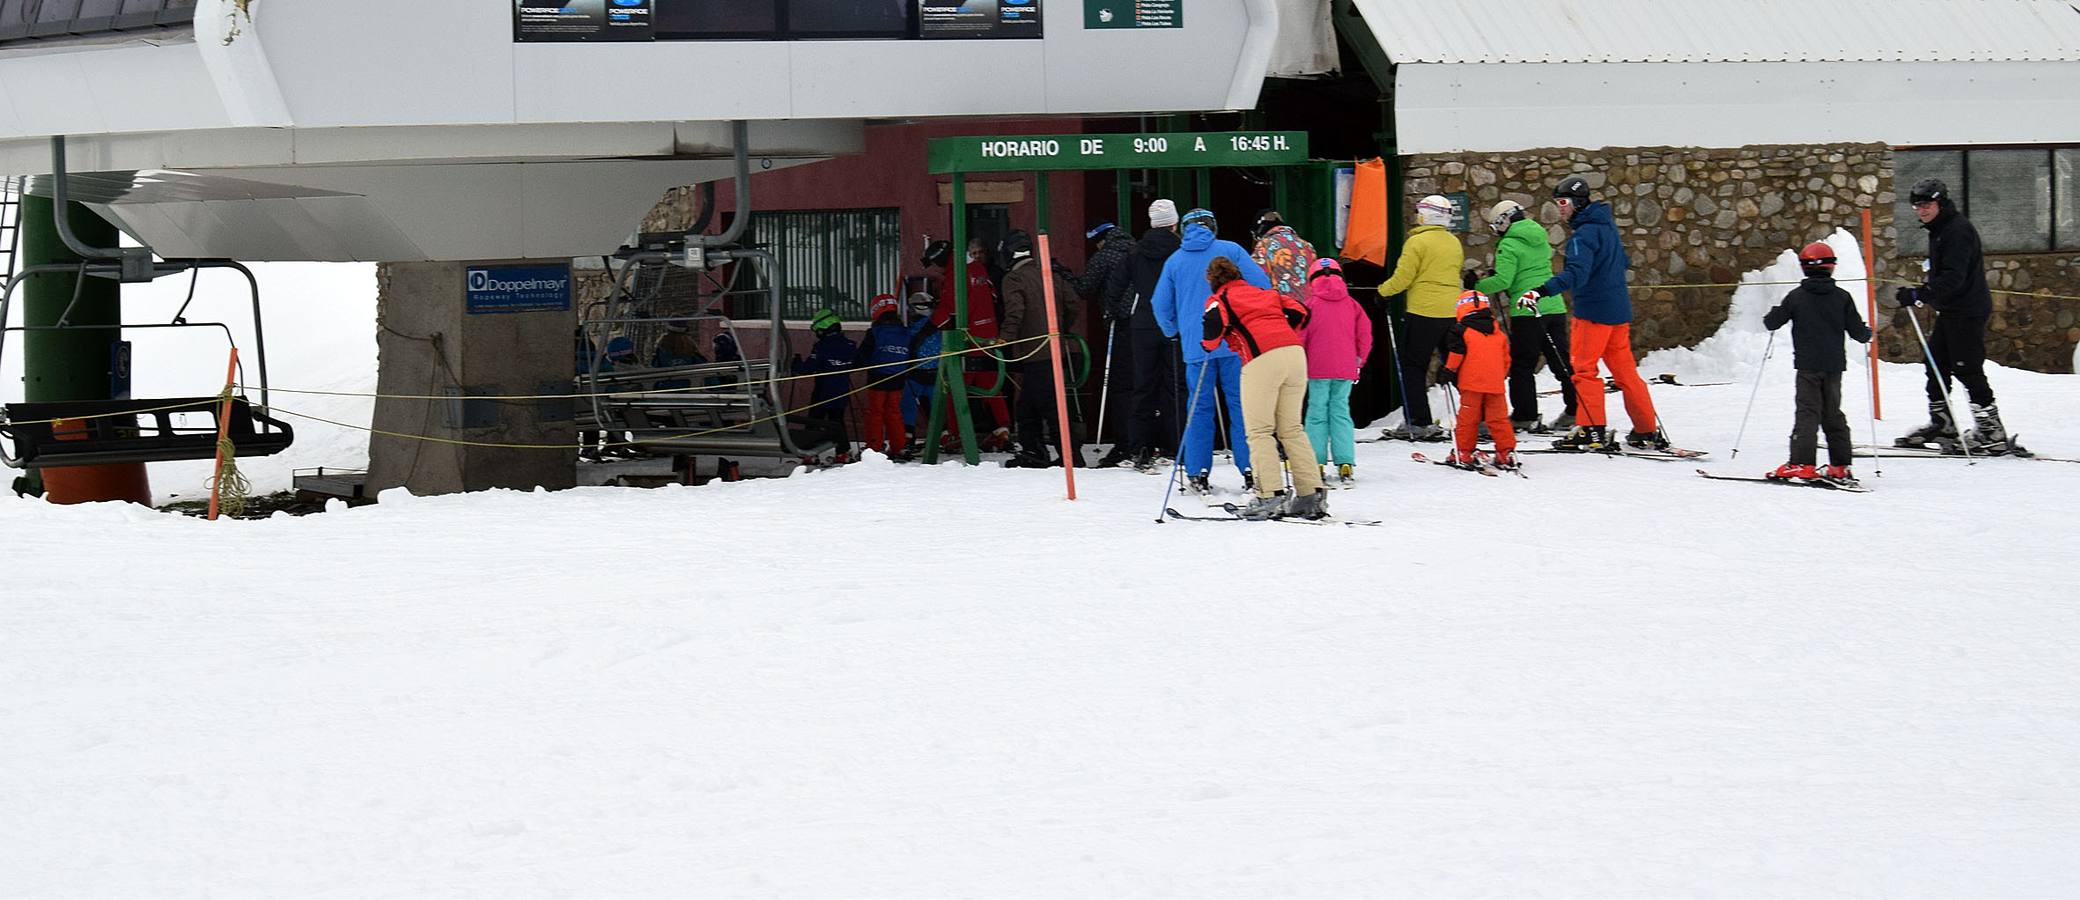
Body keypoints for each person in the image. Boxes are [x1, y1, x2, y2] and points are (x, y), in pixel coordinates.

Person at [1519, 175, 1662, 451]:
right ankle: (1645, 428)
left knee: (1584, 371)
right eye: (1557, 202)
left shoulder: (1582, 235)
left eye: (1563, 202)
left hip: (1593, 314)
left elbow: (1576, 274)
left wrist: (1540, 291)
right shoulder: (1607, 227)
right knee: (1626, 374)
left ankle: (1590, 428)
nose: (1559, 208)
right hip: (1618, 313)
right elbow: (1623, 261)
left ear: (1577, 203)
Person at [1152, 208, 1271, 493]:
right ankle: (1251, 467)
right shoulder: (1231, 250)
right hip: (1234, 343)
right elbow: (1262, 285)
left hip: (1197, 345)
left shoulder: (1175, 260)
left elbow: (1160, 303)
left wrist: (1172, 331)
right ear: (1213, 227)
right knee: (1242, 406)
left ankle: (1197, 471)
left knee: (1198, 408)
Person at [1201, 256, 1327, 520]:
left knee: (1259, 431)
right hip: (1294, 353)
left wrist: (1208, 346)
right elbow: (1301, 311)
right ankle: (1310, 494)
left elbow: (1212, 330)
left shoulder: (1220, 299)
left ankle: (1268, 495)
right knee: (1291, 428)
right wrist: (1281, 330)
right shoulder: (1265, 292)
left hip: (1261, 360)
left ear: (1213, 280)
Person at [1892, 178, 2009, 451]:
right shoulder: (1940, 229)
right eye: (1917, 206)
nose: (1921, 211)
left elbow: (1954, 277)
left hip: (1967, 311)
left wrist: (1921, 294)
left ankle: (1992, 432)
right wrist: (1923, 292)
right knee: (1935, 363)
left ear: (1940, 203)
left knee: (1966, 368)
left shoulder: (1957, 231)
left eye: (1927, 205)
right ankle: (1942, 424)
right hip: (1951, 310)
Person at [1763, 242, 1872, 483]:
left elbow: (1772, 322)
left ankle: (1802, 463)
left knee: (1808, 412)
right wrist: (1866, 333)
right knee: (1833, 413)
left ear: (1803, 267)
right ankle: (1840, 465)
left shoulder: (1796, 297)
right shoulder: (1843, 297)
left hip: (1808, 366)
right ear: (1832, 267)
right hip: (1834, 367)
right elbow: (1858, 332)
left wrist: (1772, 313)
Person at [1475, 199, 1575, 434]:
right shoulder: (1539, 235)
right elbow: (1527, 268)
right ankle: (1575, 409)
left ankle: (1524, 415)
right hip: (1553, 306)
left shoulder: (1508, 244)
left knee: (1522, 365)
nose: (1495, 232)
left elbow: (1503, 281)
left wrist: (1477, 286)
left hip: (1526, 309)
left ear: (1504, 221)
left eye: (1495, 226)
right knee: (1561, 362)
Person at [1101, 198, 1184, 471]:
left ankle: (1140, 446)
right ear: (1174, 223)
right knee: (1174, 385)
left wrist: (1112, 310)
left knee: (1143, 385)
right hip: (1175, 322)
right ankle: (1174, 444)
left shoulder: (1135, 252)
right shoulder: (1181, 251)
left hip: (1143, 323)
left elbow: (1116, 285)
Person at [1376, 194, 1464, 441]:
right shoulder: (1453, 242)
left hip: (1423, 310)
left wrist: (1383, 292)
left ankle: (1418, 420)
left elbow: (1404, 276)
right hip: (1451, 310)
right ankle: (1476, 416)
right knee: (1454, 365)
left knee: (1414, 367)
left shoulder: (1417, 243)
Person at [997, 229, 1082, 467]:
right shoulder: (1050, 274)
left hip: (1034, 352)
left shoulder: (1013, 279)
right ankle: (1035, 451)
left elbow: (1015, 312)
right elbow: (1073, 302)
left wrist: (1004, 339)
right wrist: (1060, 327)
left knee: (1049, 407)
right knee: (1028, 406)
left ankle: (1071, 457)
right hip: (1054, 349)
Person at [921, 238, 1012, 450]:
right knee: (990, 385)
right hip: (989, 336)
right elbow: (990, 298)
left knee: (955, 387)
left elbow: (951, 308)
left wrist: (929, 327)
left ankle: (956, 434)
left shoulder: (957, 273)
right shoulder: (979, 269)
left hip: (968, 340)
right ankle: (1002, 430)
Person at [1299, 258, 1372, 487]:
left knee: (1316, 412)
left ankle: (1316, 460)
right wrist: (1359, 360)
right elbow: (1365, 335)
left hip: (1316, 367)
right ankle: (1345, 461)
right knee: (1341, 411)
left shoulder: (1309, 305)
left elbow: (1300, 336)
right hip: (1345, 367)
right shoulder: (1352, 304)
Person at [1075, 221, 1141, 467]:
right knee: (1142, 383)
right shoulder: (1137, 250)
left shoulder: (1104, 257)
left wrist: (1061, 273)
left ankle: (1124, 442)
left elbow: (1084, 288)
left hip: (1121, 326)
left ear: (1100, 240)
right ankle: (1145, 439)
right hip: (1146, 325)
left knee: (1121, 386)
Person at [1439, 290, 1517, 470]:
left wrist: (1448, 371)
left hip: (1471, 383)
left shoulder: (1461, 330)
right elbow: (1506, 359)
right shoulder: (1498, 333)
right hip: (1495, 384)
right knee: (1498, 419)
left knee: (1468, 418)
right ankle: (1506, 452)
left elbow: (1457, 353)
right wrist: (1499, 375)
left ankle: (1464, 452)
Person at [790, 307, 858, 458]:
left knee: (814, 422)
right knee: (837, 422)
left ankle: (809, 454)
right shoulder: (850, 345)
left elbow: (808, 368)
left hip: (822, 392)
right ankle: (843, 452)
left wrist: (796, 365)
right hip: (842, 391)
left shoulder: (822, 347)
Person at [854, 294, 913, 458]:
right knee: (894, 412)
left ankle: (874, 447)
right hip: (899, 378)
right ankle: (898, 446)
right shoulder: (906, 332)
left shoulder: (875, 332)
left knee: (875, 412)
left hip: (877, 378)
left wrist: (853, 365)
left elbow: (863, 355)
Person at [1251, 209, 1317, 305]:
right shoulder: (1307, 245)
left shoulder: (1264, 246)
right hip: (1309, 306)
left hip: (1285, 307)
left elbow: (1257, 278)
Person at [902, 291, 940, 441]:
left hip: (915, 374)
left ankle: (908, 436)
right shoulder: (939, 327)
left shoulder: (911, 330)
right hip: (936, 373)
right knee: (936, 407)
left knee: (909, 404)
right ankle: (942, 434)